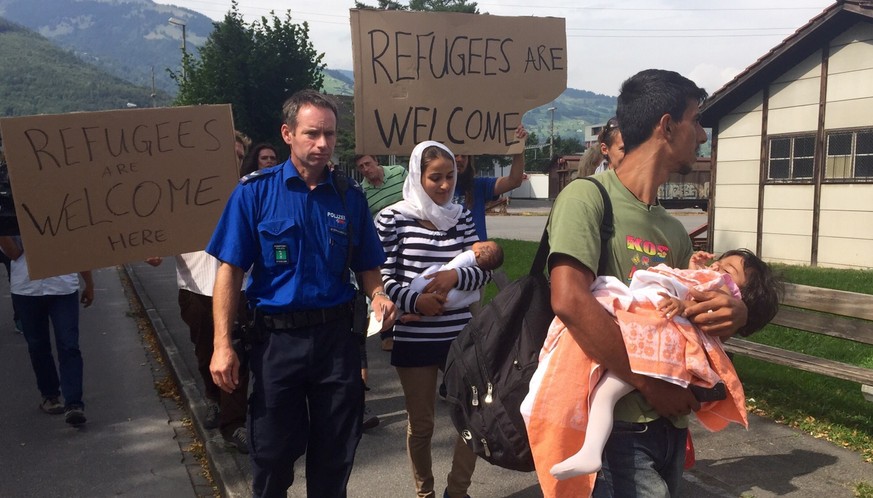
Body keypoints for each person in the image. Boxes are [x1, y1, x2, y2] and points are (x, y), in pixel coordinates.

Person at [523, 69, 749, 498]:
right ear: (667, 125)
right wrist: (649, 383)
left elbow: (687, 323)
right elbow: (569, 300)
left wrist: (733, 313)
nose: (702, 135)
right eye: (696, 121)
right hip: (614, 428)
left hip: (670, 421)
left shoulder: (674, 231)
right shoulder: (588, 197)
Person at [206, 89, 397, 498]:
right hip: (277, 342)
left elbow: (366, 266)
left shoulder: (350, 198)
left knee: (334, 455)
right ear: (287, 133)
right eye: (312, 133)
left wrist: (378, 294)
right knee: (272, 455)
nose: (323, 144)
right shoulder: (254, 193)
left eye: (329, 134)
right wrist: (222, 344)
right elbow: (229, 270)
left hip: (335, 342)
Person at [548, 249, 781, 481]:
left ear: (737, 293)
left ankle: (590, 450)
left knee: (604, 394)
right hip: (653, 349)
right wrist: (692, 268)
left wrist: (683, 306)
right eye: (720, 262)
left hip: (657, 352)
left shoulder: (722, 292)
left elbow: (695, 303)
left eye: (728, 270)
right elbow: (689, 287)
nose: (717, 268)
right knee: (603, 393)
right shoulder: (713, 283)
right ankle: (588, 450)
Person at [375, 140, 492, 498]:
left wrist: (454, 278)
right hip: (414, 338)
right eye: (435, 178)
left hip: (459, 335)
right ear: (417, 176)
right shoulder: (392, 219)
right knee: (422, 423)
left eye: (450, 176)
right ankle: (424, 491)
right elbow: (380, 277)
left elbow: (483, 271)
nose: (444, 186)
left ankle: (457, 491)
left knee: (475, 416)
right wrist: (416, 300)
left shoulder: (462, 217)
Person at [144, 252, 251, 453]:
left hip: (238, 285)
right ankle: (213, 397)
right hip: (195, 287)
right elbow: (160, 232)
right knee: (205, 353)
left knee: (236, 354)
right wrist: (152, 250)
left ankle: (234, 424)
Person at [0, 235, 94, 425]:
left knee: (69, 345)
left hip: (63, 287)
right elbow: (14, 253)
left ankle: (74, 403)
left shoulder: (65, 207)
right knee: (37, 346)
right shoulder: (10, 209)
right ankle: (50, 395)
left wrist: (89, 283)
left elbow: (78, 245)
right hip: (27, 288)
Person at [453, 125, 528, 240]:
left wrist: (519, 148)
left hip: (477, 254)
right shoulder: (434, 189)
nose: (460, 159)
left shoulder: (478, 186)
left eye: (464, 156)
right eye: (455, 155)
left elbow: (514, 181)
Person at [408, 240, 503, 310]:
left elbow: (452, 267)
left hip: (436, 286)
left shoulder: (469, 256)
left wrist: (454, 275)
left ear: (477, 253)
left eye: (482, 242)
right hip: (449, 300)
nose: (479, 241)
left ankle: (413, 311)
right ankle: (414, 313)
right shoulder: (481, 265)